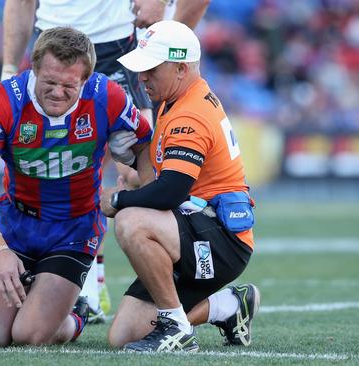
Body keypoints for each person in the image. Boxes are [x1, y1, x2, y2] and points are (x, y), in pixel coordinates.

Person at [1, 0, 211, 322]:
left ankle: (183, 293)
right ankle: (85, 288)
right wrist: (8, 69)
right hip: (52, 48)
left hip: (114, 47)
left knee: (139, 175)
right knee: (58, 172)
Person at [0, 27, 152, 347]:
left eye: (69, 85)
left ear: (87, 79)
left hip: (73, 229)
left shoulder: (108, 96)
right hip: (16, 225)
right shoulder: (2, 101)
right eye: (49, 82)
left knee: (28, 336)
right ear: (34, 69)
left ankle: (75, 317)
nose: (58, 93)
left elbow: (144, 147)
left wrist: (139, 186)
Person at [100, 20, 260, 352]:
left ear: (180, 69)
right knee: (123, 336)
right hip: (196, 228)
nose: (142, 77)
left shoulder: (191, 114)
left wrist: (118, 200)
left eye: (151, 70)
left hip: (219, 240)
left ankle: (176, 328)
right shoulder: (177, 98)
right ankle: (228, 307)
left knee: (132, 220)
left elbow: (171, 191)